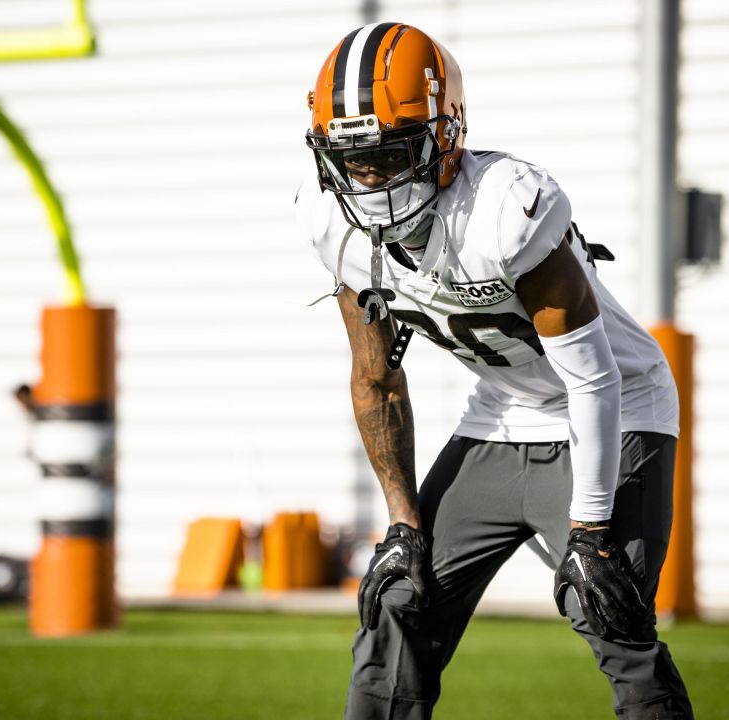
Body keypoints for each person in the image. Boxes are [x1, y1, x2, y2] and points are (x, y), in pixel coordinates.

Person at [295, 23, 694, 719]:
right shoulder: (333, 225)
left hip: (616, 407)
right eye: (355, 161)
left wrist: (591, 530)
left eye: (392, 155)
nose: (374, 182)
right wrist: (401, 521)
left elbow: (592, 380)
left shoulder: (503, 208)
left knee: (610, 612)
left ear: (446, 134)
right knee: (401, 598)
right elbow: (376, 378)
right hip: (501, 412)